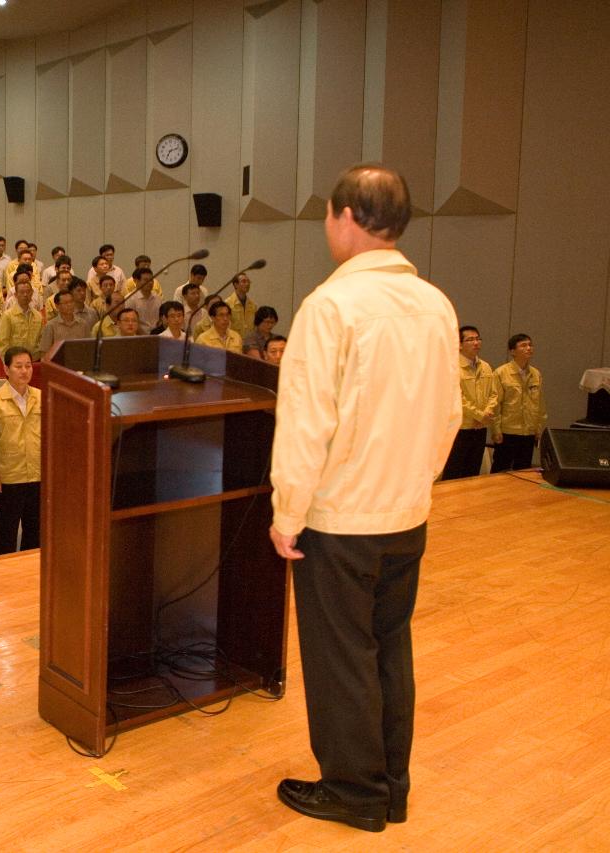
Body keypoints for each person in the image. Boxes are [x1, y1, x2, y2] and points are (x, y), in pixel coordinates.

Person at [268, 164, 460, 833]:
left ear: (347, 216)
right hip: (406, 514)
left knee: (341, 654)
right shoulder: (436, 304)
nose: (326, 228)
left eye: (326, 215)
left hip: (341, 516)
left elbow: (305, 425)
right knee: (388, 647)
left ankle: (353, 789)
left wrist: (286, 513)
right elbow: (449, 417)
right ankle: (390, 787)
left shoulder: (331, 307)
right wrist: (413, 484)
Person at [0, 347, 41, 554]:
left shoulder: (41, 397)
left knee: (35, 534)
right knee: (7, 533)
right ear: (6, 369)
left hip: (37, 475)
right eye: (18, 366)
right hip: (8, 479)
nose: (24, 371)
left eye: (28, 366)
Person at [442, 325, 498, 480]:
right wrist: (480, 415)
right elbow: (457, 398)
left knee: (472, 472)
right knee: (454, 472)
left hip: (480, 428)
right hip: (460, 429)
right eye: (470, 339)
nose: (476, 343)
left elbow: (494, 394)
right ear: (459, 345)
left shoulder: (485, 367)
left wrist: (486, 413)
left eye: (478, 339)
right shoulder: (453, 367)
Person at [490, 333, 547, 472]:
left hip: (528, 431)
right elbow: (496, 404)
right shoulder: (501, 373)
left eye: (530, 345)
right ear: (512, 351)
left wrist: (538, 428)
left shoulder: (535, 374)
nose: (529, 348)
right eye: (523, 345)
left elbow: (540, 404)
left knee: (523, 471)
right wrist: (496, 429)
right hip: (508, 431)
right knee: (500, 470)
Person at [0, 275, 45, 359]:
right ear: (15, 295)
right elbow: (3, 343)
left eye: (28, 292)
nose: (25, 295)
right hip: (15, 361)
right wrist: (7, 363)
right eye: (22, 292)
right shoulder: (8, 315)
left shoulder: (38, 316)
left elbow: (41, 340)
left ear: (32, 293)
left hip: (34, 360)